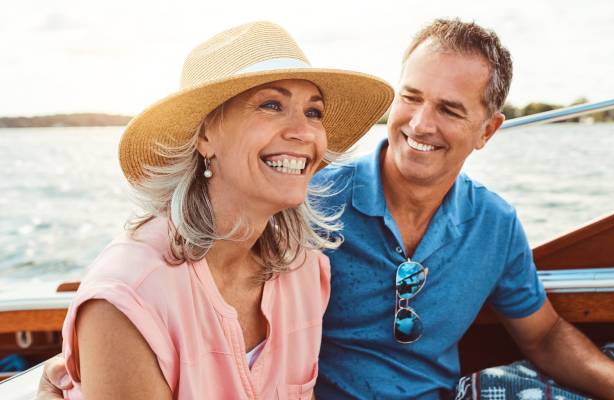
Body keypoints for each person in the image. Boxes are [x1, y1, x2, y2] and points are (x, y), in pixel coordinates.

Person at [37, 19, 614, 400]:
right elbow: (154, 280)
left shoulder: (302, 257)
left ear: (488, 130)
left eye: (450, 109)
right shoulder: (306, 206)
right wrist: (80, 364)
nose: (420, 124)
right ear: (204, 135)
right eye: (411, 98)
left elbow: (542, 336)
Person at [47, 21, 392, 399]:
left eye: (313, 112)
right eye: (271, 105)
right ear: (205, 135)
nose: (304, 132)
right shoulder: (130, 295)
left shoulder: (304, 270)